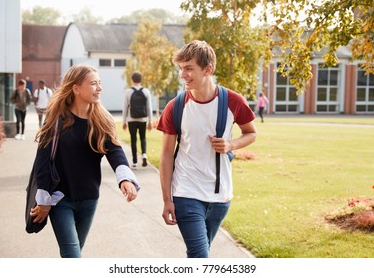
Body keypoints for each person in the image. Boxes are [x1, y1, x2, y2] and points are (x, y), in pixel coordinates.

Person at [157, 40, 257, 258]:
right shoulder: (175, 106)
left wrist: (231, 144)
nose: (183, 74)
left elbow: (251, 133)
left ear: (207, 69)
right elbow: (165, 156)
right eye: (181, 69)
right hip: (186, 191)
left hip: (220, 197)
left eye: (189, 68)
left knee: (201, 253)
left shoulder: (233, 101)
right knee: (199, 255)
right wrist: (167, 199)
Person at [30, 64, 140, 258]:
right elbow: (42, 162)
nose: (99, 88)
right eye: (93, 83)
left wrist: (125, 179)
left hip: (89, 199)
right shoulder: (56, 119)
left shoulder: (101, 119)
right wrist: (45, 199)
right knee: (72, 254)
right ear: (76, 88)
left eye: (100, 83)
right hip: (60, 199)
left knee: (74, 252)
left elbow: (114, 151)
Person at [122, 71, 153, 169]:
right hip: (143, 119)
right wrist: (150, 121)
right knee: (143, 137)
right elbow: (149, 108)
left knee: (133, 139)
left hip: (132, 119)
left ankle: (135, 161)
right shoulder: (146, 91)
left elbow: (125, 108)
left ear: (132, 80)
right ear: (141, 80)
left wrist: (124, 121)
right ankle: (144, 154)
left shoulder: (128, 92)